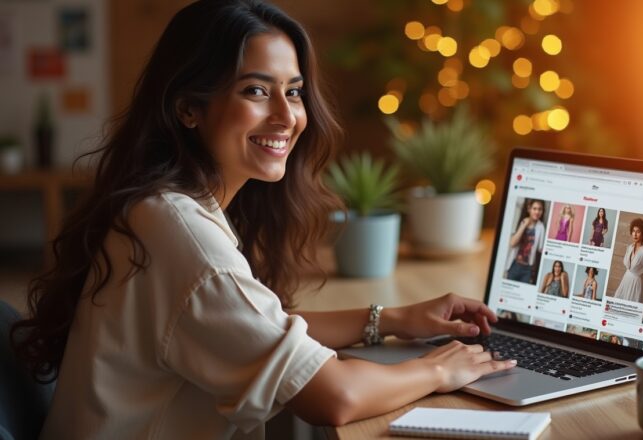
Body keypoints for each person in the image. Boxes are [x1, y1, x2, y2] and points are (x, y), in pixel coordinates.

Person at [10, 2, 515, 438]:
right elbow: (332, 396)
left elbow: (255, 327)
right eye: (256, 91)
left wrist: (394, 320)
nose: (286, 115)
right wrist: (437, 367)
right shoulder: (181, 237)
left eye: (293, 91)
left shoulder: (159, 207)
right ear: (189, 108)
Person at [613, 218, 643, 303]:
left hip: (635, 283)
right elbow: (627, 264)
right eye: (633, 231)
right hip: (626, 279)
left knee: (631, 305)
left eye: (638, 232)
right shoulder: (630, 247)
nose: (635, 234)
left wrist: (642, 271)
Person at [505, 199, 546, 284]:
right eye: (534, 208)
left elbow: (540, 249)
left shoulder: (541, 227)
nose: (537, 212)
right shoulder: (522, 221)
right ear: (529, 209)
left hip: (527, 269)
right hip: (514, 265)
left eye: (540, 209)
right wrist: (524, 226)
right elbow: (512, 243)